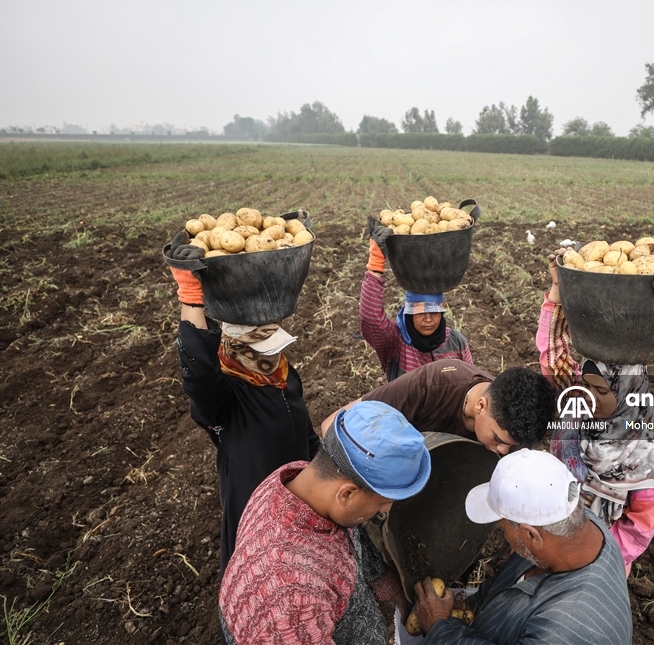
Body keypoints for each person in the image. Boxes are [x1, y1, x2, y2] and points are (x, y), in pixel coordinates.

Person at [219, 401, 432, 644]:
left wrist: (398, 598)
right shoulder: (289, 600)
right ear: (347, 494)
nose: (385, 510)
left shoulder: (302, 485)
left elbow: (353, 542)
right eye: (383, 502)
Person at [169, 232, 319, 575]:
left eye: (276, 348)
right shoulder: (225, 399)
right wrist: (191, 298)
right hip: (257, 519)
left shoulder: (284, 378)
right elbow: (199, 374)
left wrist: (330, 468)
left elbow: (305, 435)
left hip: (300, 505)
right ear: (236, 350)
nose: (273, 357)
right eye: (263, 352)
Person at [538, 249, 654, 574]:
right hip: (549, 541)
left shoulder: (645, 461)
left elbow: (638, 532)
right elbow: (553, 353)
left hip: (598, 567)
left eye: (600, 390)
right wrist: (557, 290)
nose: (588, 396)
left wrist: (587, 554)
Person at [412, 449, 633, 644]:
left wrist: (439, 628)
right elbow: (506, 581)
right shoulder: (574, 526)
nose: (501, 533)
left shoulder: (568, 629)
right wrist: (471, 603)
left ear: (531, 535)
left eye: (502, 527)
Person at [322, 359, 557, 455]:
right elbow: (333, 424)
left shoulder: (514, 423)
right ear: (481, 405)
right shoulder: (431, 385)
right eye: (497, 439)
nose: (503, 451)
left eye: (510, 445)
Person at [360, 221, 474, 381]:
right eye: (420, 312)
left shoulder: (456, 341)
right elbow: (371, 320)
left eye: (434, 312)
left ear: (442, 313)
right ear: (409, 313)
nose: (428, 319)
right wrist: (375, 264)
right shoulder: (395, 342)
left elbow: (471, 382)